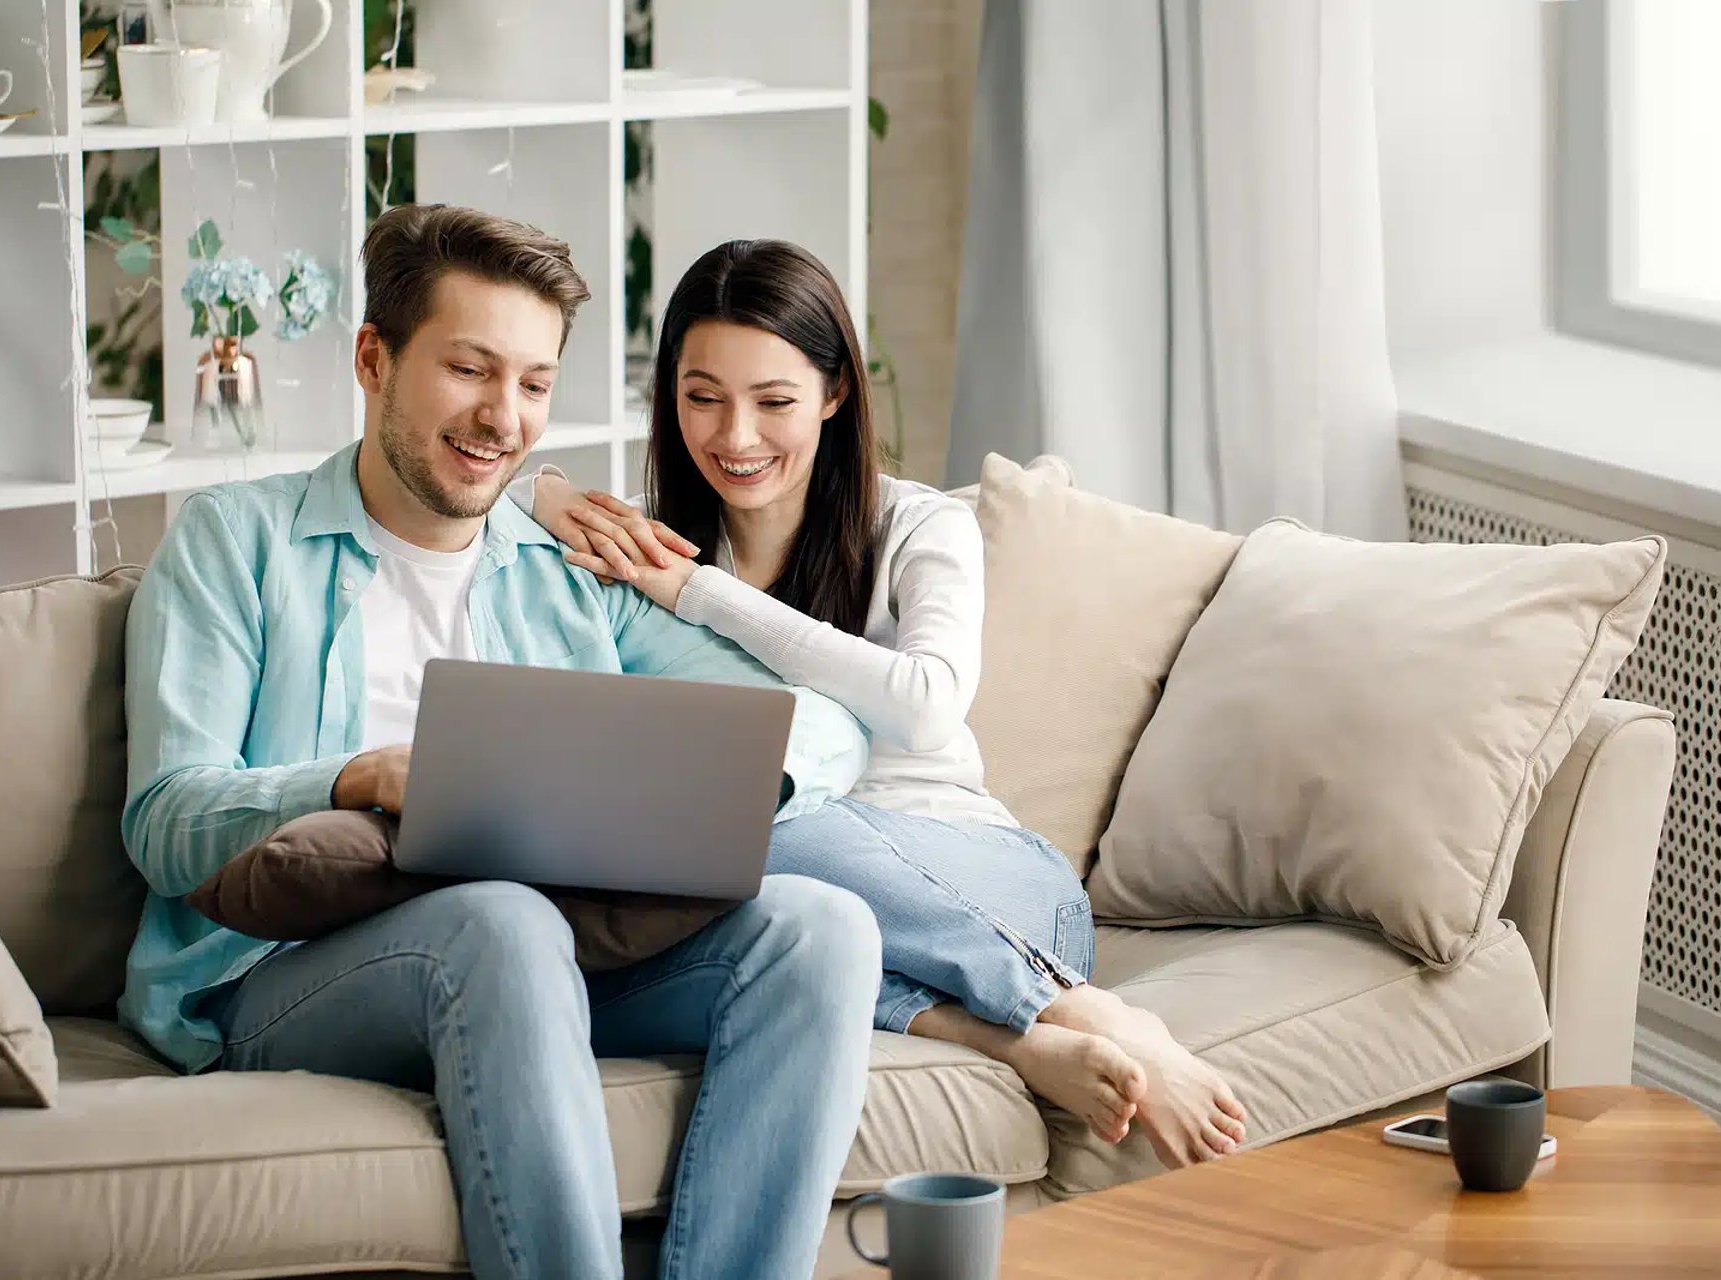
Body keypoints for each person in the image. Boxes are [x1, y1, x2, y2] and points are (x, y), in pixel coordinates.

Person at [118, 205, 886, 1280]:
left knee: (823, 929)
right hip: (280, 973)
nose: (502, 416)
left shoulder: (568, 566)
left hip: (552, 949)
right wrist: (356, 775)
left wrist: (702, 780)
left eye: (533, 383)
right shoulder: (235, 541)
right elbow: (165, 821)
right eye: (469, 369)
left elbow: (829, 728)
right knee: (501, 919)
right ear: (374, 359)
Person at [515, 239, 1248, 1169]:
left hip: (994, 900)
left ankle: (1082, 1010)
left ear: (834, 394)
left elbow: (926, 705)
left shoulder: (915, 526)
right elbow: (484, 502)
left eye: (773, 401)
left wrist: (698, 593)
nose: (735, 437)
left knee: (749, 825)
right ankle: (1019, 1043)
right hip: (807, 911)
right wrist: (536, 493)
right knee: (748, 887)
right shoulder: (641, 545)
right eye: (703, 398)